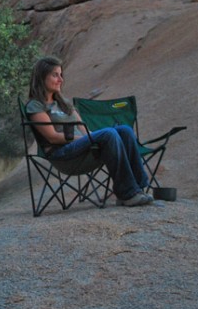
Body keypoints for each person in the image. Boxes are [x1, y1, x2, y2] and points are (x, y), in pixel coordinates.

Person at [26, 55, 154, 207]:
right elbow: (52, 137)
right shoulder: (35, 105)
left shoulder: (63, 103)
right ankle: (127, 194)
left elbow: (83, 128)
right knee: (108, 133)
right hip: (62, 154)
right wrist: (85, 139)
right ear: (41, 77)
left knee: (124, 130)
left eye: (61, 75)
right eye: (55, 75)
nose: (60, 79)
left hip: (81, 149)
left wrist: (90, 138)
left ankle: (137, 189)